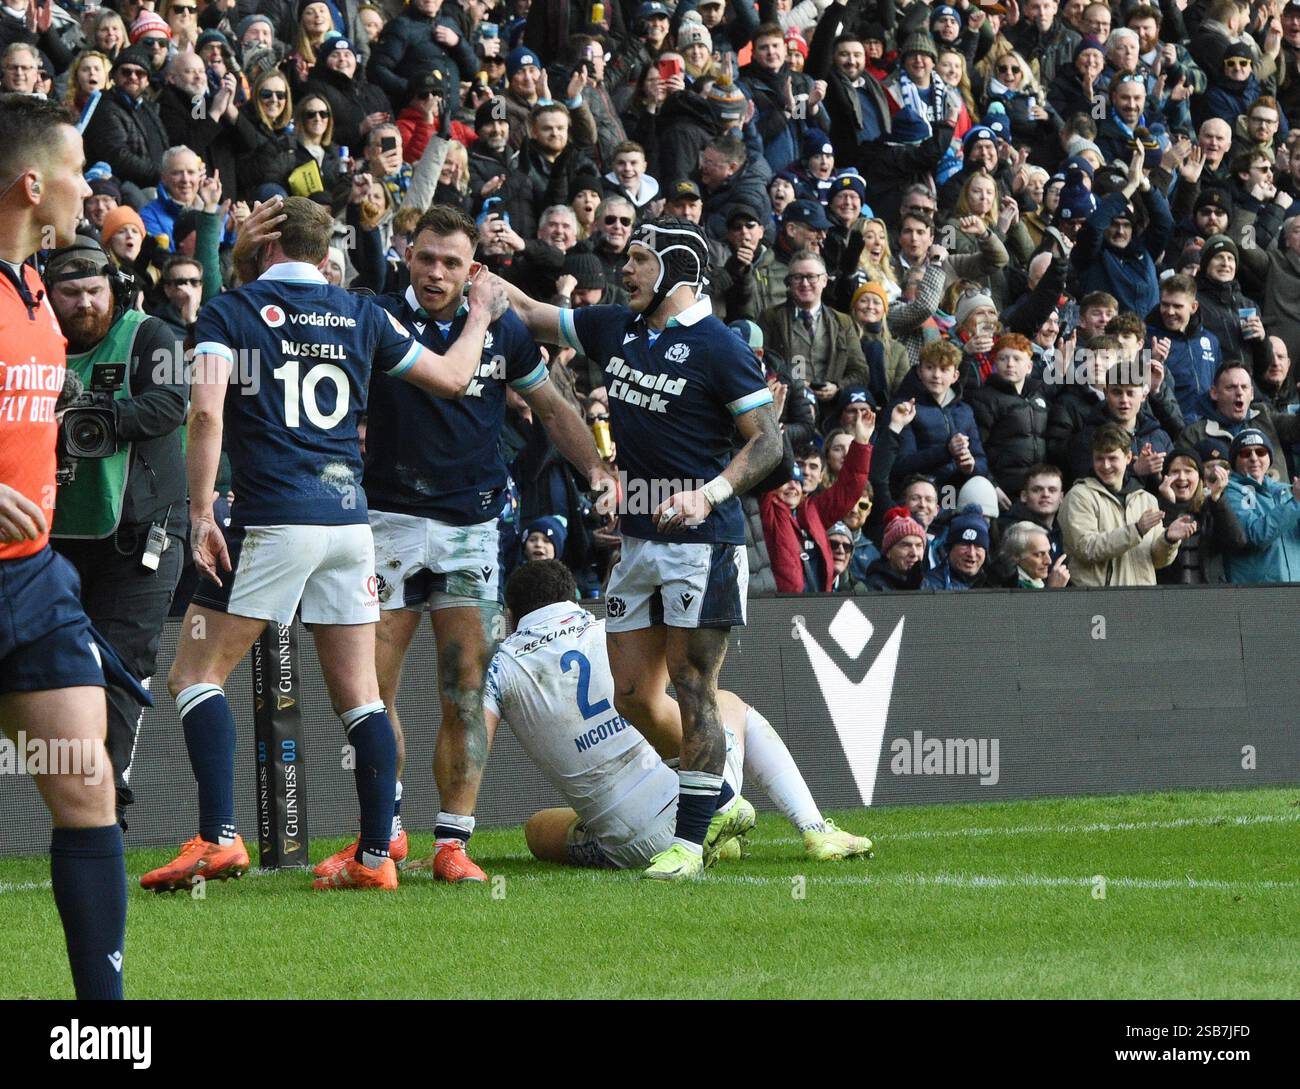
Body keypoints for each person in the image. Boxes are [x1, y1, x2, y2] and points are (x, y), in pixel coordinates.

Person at [140, 195, 508, 894]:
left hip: (274, 515)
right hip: (349, 522)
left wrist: (199, 509)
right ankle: (375, 854)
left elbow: (208, 409)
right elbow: (455, 379)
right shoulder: (362, 312)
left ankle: (218, 837)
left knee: (194, 673)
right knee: (361, 694)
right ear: (325, 249)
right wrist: (483, 314)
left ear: (266, 243)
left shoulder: (232, 310)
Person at [336, 204, 613, 883]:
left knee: (466, 689)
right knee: (372, 690)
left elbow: (550, 405)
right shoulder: (374, 318)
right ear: (407, 254)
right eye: (426, 257)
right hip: (387, 525)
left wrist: (601, 472)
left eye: (451, 263)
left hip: (472, 531)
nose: (436, 272)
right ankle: (387, 831)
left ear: (473, 270)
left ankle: (453, 842)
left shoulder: (504, 331)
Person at [502, 215, 782, 880]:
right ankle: (721, 798)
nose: (624, 271)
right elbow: (533, 313)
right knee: (631, 693)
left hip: (703, 541)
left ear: (679, 272)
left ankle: (687, 844)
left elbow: (769, 441)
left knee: (692, 686)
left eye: (639, 260)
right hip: (637, 539)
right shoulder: (614, 327)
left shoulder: (720, 346)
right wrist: (479, 278)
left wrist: (707, 494)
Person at [0, 95, 133, 1000]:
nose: (91, 191)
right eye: (79, 171)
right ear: (31, 183)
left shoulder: (38, 287)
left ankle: (105, 1028)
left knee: (86, 790)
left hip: (36, 580)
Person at [490, 560, 873, 870]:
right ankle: (813, 828)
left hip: (632, 846)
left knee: (538, 828)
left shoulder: (501, 666)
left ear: (511, 616)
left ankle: (707, 833)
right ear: (573, 599)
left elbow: (469, 743)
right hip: (693, 807)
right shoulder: (612, 631)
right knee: (726, 703)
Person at [44, 239, 187, 833]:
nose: (84, 304)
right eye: (70, 294)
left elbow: (174, 403)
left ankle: (108, 794)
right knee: (64, 667)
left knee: (122, 660)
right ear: (50, 298)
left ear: (115, 289)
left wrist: (91, 419)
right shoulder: (34, 346)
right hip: (57, 533)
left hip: (144, 531)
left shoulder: (154, 334)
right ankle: (86, 790)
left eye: (94, 291)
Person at [1059, 423, 1196, 586]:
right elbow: (1086, 549)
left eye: (1112, 458)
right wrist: (1136, 530)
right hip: (1097, 602)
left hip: (1141, 602)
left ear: (1128, 458)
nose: (1106, 465)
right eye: (1099, 459)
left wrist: (1168, 540)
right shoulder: (1079, 496)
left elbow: (1157, 561)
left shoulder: (1146, 499)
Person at [1155, 445, 1246, 584]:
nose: (1181, 477)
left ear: (1199, 477)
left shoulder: (1211, 507)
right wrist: (1170, 504)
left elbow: (1237, 541)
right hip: (1170, 597)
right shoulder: (1156, 507)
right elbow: (1158, 555)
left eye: (1188, 471)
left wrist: (1217, 499)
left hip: (1210, 595)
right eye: (1175, 471)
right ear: (1166, 477)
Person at [1221, 427, 1300, 583]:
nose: (1254, 458)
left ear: (1269, 458)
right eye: (1245, 453)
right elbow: (1254, 535)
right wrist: (1296, 503)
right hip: (1257, 594)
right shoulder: (1233, 491)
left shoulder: (1286, 491)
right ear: (1234, 461)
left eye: (1260, 452)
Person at [1000, 520, 1071, 588]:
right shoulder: (1008, 586)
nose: (1048, 561)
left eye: (1049, 552)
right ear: (1016, 556)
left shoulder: (1035, 581)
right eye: (1039, 554)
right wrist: (1053, 590)